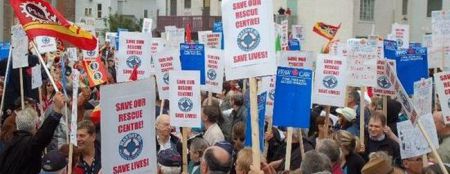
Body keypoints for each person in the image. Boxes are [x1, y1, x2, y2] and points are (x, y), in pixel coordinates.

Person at [0, 93, 65, 174]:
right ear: (35, 125)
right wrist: (56, 111)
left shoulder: (11, 141)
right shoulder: (29, 144)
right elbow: (45, 134)